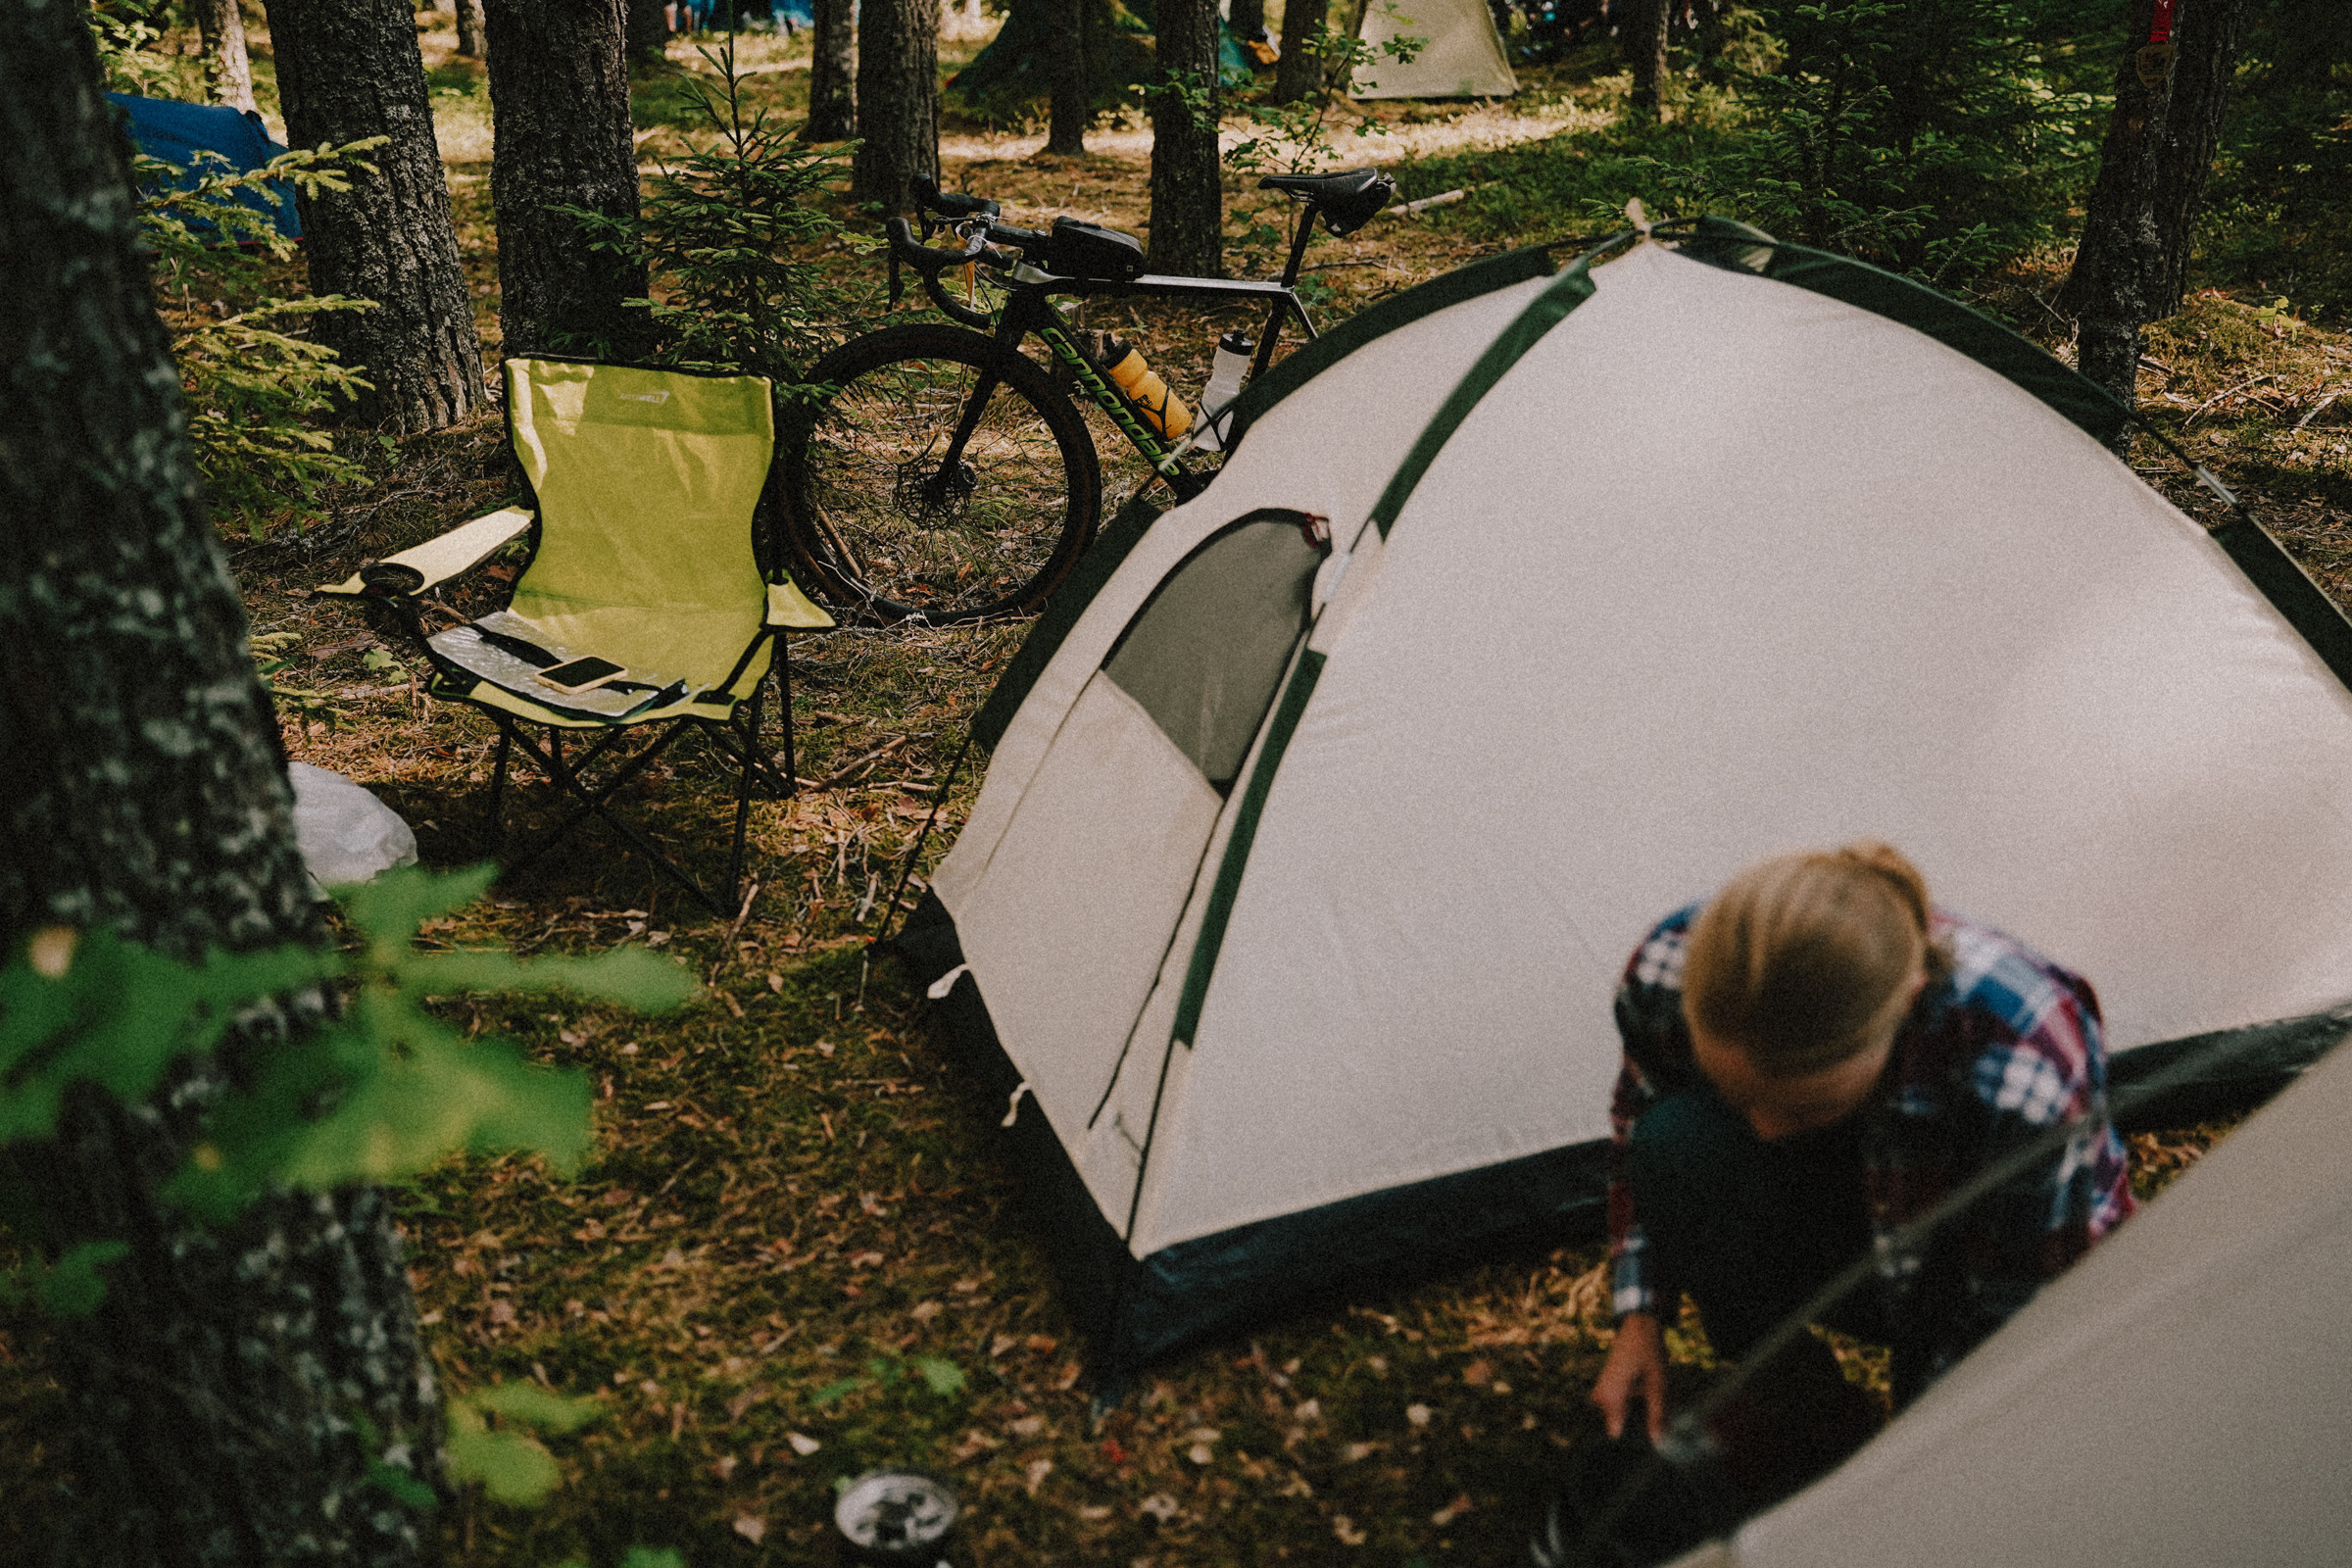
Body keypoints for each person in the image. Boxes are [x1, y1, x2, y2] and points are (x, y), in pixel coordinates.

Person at [1585, 843, 2135, 1517]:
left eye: (1803, 1106)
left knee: (1943, 1478)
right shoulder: (1672, 963)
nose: (1762, 1133)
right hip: (1861, 1204)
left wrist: (1923, 1451)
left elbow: (2019, 1301)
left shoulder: (2019, 1059)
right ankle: (1805, 1411)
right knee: (1677, 1142)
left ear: (1905, 1007)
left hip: (1988, 1263)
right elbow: (1642, 1110)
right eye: (1737, 1094)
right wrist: (1641, 1313)